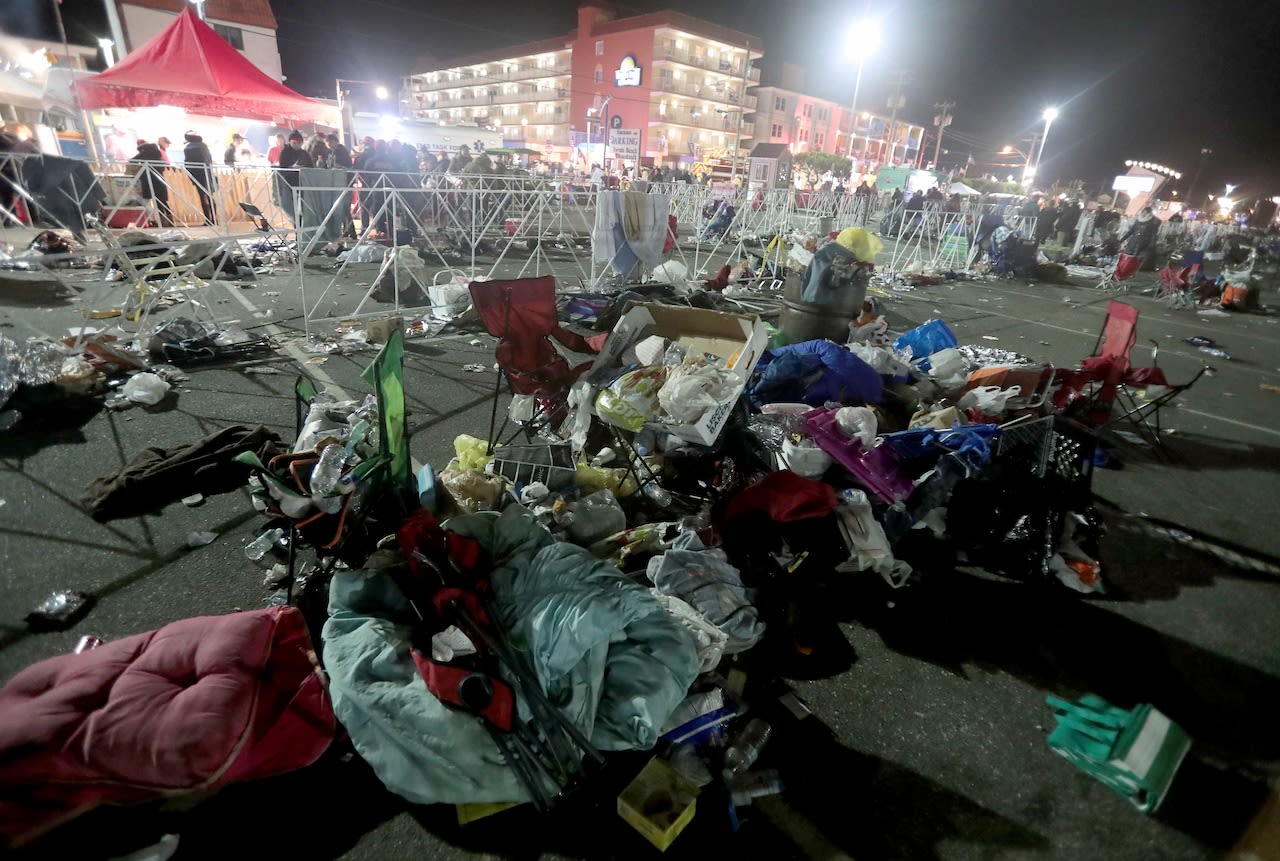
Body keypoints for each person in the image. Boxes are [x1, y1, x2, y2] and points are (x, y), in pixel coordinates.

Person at [129, 140, 172, 227]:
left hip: (149, 180)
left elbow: (132, 161)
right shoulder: (158, 154)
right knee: (162, 201)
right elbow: (163, 168)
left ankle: (159, 222)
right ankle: (169, 221)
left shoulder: (144, 153)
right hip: (159, 179)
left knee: (153, 201)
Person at [182, 131, 216, 225]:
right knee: (210, 197)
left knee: (202, 197)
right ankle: (214, 219)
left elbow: (187, 163)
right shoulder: (204, 146)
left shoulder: (188, 148)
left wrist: (191, 175)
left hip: (197, 174)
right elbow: (209, 159)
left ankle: (208, 220)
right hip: (208, 173)